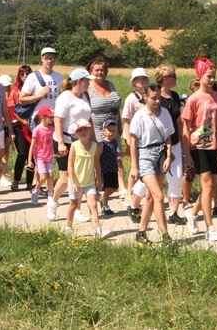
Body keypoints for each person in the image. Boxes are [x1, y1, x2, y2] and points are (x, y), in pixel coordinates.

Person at [182, 57, 217, 241]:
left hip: (214, 146)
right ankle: (210, 227)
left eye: (214, 77)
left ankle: (192, 214)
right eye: (209, 76)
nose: (212, 80)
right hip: (197, 146)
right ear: (200, 77)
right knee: (208, 184)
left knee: (212, 185)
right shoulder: (193, 100)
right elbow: (186, 127)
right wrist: (187, 154)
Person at [47, 68, 96, 223]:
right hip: (65, 141)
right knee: (65, 177)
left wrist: (93, 137)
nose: (89, 83)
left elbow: (89, 119)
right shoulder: (65, 97)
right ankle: (53, 203)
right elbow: (58, 121)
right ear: (79, 81)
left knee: (80, 177)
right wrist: (61, 143)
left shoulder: (85, 96)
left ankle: (76, 209)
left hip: (81, 141)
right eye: (87, 80)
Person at [128, 85, 175, 244]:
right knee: (159, 196)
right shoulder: (140, 116)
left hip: (161, 154)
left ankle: (141, 233)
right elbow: (133, 143)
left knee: (150, 197)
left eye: (158, 98)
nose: (156, 101)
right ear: (145, 98)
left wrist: (169, 156)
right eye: (153, 98)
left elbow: (168, 137)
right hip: (145, 155)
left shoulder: (165, 113)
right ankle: (165, 235)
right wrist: (134, 166)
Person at [86, 58, 125, 199]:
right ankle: (98, 186)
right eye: (96, 70)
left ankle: (121, 186)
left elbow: (117, 108)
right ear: (90, 71)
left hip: (113, 126)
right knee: (97, 157)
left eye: (102, 70)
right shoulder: (88, 87)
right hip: (96, 128)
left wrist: (119, 127)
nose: (100, 72)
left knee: (117, 156)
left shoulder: (111, 85)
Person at [66, 118, 111, 239]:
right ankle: (68, 226)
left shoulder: (94, 146)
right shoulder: (74, 146)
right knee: (73, 205)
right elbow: (70, 165)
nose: (83, 132)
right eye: (80, 130)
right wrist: (72, 182)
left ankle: (97, 229)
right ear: (76, 133)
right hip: (76, 181)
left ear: (90, 131)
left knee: (93, 204)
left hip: (89, 181)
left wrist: (99, 181)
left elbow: (97, 164)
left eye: (85, 129)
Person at [155, 64, 187, 225]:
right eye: (174, 76)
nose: (176, 79)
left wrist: (182, 141)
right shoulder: (155, 96)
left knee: (177, 177)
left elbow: (179, 121)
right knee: (153, 178)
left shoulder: (174, 96)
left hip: (174, 142)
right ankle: (134, 204)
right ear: (166, 79)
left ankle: (173, 212)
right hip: (157, 145)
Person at [122, 67, 150, 221]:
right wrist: (127, 139)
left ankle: (136, 194)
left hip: (146, 138)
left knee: (142, 167)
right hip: (135, 138)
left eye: (143, 79)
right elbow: (127, 120)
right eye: (138, 79)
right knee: (135, 167)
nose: (141, 81)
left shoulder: (149, 96)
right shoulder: (131, 99)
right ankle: (129, 194)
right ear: (134, 82)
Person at [19, 47, 64, 126]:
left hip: (55, 118)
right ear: (42, 59)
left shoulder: (59, 76)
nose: (49, 61)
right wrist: (40, 95)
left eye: (52, 58)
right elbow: (22, 100)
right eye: (47, 58)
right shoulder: (33, 77)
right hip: (39, 119)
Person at [7, 66, 33, 191]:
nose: (25, 76)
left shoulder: (34, 87)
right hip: (18, 123)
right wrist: (23, 121)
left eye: (27, 73)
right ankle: (16, 180)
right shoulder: (15, 89)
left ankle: (30, 182)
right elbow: (11, 108)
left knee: (32, 153)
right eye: (22, 73)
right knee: (22, 153)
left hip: (33, 123)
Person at [28, 105, 56, 205]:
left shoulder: (52, 129)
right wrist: (29, 161)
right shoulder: (37, 130)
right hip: (40, 156)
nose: (52, 118)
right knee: (43, 177)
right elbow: (32, 146)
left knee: (51, 176)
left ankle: (50, 197)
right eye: (50, 117)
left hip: (49, 156)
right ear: (43, 117)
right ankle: (36, 190)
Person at [98, 119, 122, 215]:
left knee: (115, 188)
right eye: (109, 130)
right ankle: (105, 206)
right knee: (108, 188)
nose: (112, 133)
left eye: (113, 130)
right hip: (105, 170)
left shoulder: (114, 142)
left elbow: (115, 154)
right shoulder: (102, 144)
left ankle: (103, 198)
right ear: (104, 131)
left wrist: (125, 154)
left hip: (113, 168)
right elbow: (98, 158)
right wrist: (98, 171)